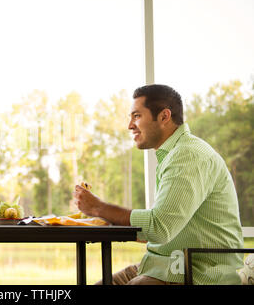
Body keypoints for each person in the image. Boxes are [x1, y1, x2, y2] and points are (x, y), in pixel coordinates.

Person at [73, 84, 244, 285]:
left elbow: (160, 228)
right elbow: (163, 229)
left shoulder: (188, 155)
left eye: (137, 116)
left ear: (164, 116)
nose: (130, 125)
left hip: (195, 273)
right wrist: (105, 219)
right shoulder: (172, 155)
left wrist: (98, 207)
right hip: (164, 266)